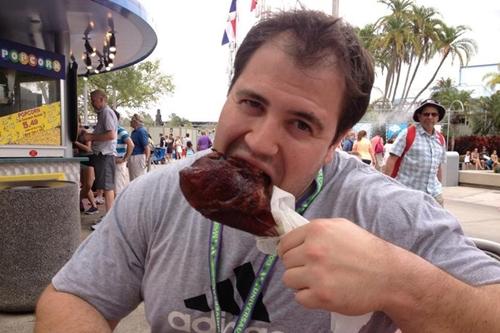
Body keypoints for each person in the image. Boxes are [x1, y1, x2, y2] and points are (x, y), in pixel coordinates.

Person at [36, 11, 500, 333]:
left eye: (301, 124)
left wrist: (399, 280)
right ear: (229, 93)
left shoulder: (388, 215)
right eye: (251, 103)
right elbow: (74, 297)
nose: (258, 140)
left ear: (335, 142)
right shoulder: (156, 195)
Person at [384, 99, 447, 206]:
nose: (430, 117)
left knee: (438, 223)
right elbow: (391, 160)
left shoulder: (440, 139)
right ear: (419, 116)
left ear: (438, 117)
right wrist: (385, 187)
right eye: (426, 114)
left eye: (434, 114)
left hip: (434, 195)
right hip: (408, 194)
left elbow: (438, 167)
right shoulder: (407, 134)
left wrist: (439, 186)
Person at [82, 89, 118, 214]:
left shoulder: (107, 113)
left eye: (93, 101)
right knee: (106, 187)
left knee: (108, 188)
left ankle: (109, 219)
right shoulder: (103, 113)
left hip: (105, 154)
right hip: (102, 154)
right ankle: (108, 218)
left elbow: (111, 135)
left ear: (102, 100)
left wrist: (91, 137)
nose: (92, 104)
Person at [73, 121, 98, 214]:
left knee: (88, 185)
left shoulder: (84, 133)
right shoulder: (71, 133)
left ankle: (77, 200)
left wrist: (75, 143)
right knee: (84, 184)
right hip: (78, 160)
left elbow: (88, 148)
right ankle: (93, 206)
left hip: (88, 160)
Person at [114, 111, 134, 196]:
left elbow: (131, 144)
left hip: (118, 162)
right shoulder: (111, 130)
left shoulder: (120, 130)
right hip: (111, 162)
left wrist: (125, 159)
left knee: (118, 188)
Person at [128, 113, 151, 181]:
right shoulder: (134, 132)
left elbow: (146, 147)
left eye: (131, 120)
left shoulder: (141, 131)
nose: (130, 122)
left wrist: (146, 160)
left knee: (137, 179)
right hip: (134, 157)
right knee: (133, 178)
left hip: (138, 157)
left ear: (135, 122)